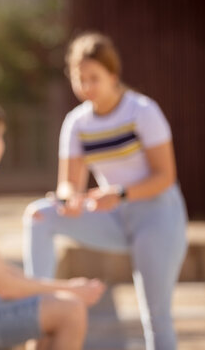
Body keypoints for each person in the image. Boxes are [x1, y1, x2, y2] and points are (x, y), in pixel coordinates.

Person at [23, 32, 188, 350]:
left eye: (94, 78)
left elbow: (165, 176)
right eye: (79, 79)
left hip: (158, 216)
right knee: (39, 216)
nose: (86, 87)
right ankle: (38, 309)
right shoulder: (76, 122)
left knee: (155, 316)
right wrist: (68, 199)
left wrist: (122, 193)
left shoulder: (142, 111)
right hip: (112, 216)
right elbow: (68, 183)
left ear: (113, 76)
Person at [0, 92, 105, 350]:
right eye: (1, 136)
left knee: (48, 306)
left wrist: (52, 290)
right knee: (70, 310)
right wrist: (72, 290)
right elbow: (5, 286)